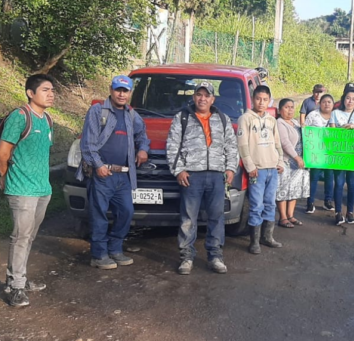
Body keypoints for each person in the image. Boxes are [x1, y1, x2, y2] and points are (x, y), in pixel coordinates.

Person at [76, 75, 150, 270]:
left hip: (124, 175)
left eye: (125, 91)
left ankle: (115, 249)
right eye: (118, 90)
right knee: (99, 214)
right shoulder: (98, 111)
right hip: (102, 173)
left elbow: (143, 134)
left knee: (126, 211)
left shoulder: (131, 115)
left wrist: (143, 149)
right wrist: (98, 165)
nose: (121, 94)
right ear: (111, 89)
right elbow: (88, 144)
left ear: (130, 93)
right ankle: (99, 255)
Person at [166, 81, 239, 275]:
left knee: (216, 218)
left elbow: (231, 147)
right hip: (192, 176)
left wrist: (231, 168)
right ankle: (186, 258)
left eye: (207, 95)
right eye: (199, 94)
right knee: (188, 219)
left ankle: (215, 256)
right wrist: (179, 170)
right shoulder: (181, 118)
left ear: (213, 99)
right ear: (194, 97)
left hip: (216, 176)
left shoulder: (222, 119)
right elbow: (172, 146)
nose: (202, 98)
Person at [0, 74, 55, 307]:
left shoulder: (47, 119)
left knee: (29, 236)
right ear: (31, 93)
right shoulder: (20, 117)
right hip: (22, 189)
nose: (51, 94)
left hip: (43, 189)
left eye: (52, 90)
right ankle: (15, 286)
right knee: (20, 237)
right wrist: (4, 177)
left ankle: (20, 278)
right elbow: (3, 153)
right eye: (45, 90)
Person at [237, 85, 284, 254]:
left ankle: (267, 237)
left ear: (269, 100)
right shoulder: (246, 118)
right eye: (258, 99)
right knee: (256, 205)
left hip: (272, 169)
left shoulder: (271, 120)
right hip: (257, 170)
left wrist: (281, 161)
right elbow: (242, 145)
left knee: (270, 204)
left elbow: (277, 142)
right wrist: (250, 166)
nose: (261, 102)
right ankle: (254, 242)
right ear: (253, 99)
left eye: (265, 100)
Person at [329, 88, 354, 225]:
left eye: (353, 99)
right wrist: (342, 128)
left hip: (353, 154)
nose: (350, 101)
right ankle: (338, 213)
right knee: (338, 183)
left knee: (352, 184)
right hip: (339, 154)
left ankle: (350, 212)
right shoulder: (335, 113)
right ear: (343, 99)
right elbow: (332, 134)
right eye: (348, 98)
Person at [275, 98, 310, 227]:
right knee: (283, 189)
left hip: (298, 162)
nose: (290, 110)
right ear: (280, 110)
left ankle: (291, 215)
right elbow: (285, 143)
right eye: (286, 107)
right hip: (287, 160)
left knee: (294, 189)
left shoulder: (295, 122)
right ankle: (283, 217)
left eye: (292, 107)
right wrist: (297, 157)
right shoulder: (279, 123)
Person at [304, 94, 336, 213]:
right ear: (319, 103)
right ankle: (310, 202)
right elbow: (305, 132)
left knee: (329, 177)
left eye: (329, 102)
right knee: (314, 177)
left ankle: (328, 201)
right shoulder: (312, 115)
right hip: (315, 153)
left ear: (333, 104)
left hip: (330, 153)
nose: (326, 104)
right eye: (324, 102)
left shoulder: (336, 116)